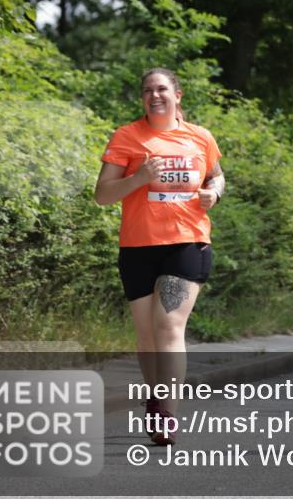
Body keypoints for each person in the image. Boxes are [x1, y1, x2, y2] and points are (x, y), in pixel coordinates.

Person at [94, 67, 224, 446]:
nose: (155, 96)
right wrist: (138, 177)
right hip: (138, 246)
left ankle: (167, 411)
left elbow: (216, 176)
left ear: (177, 95)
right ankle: (155, 398)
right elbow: (102, 195)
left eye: (162, 89)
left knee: (169, 328)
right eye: (148, 90)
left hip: (187, 243)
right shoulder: (127, 137)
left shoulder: (200, 137)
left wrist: (214, 193)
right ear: (142, 98)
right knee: (147, 335)